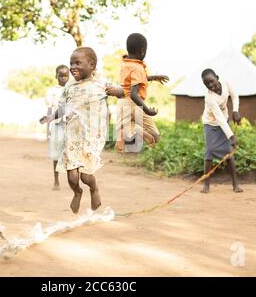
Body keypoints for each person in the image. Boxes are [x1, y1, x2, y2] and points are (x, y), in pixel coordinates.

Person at [40, 47, 122, 214]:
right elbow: (62, 108)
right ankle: (77, 191)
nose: (73, 67)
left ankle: (94, 189)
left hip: (92, 136)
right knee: (72, 175)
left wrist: (118, 91)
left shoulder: (100, 83)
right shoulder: (69, 87)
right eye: (71, 63)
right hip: (72, 135)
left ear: (91, 65)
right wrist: (51, 117)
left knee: (85, 176)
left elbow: (121, 92)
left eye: (78, 63)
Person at [116, 33, 169, 152]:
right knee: (154, 133)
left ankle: (138, 132)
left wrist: (152, 77)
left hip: (124, 103)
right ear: (143, 51)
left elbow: (134, 80)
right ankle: (158, 152)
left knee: (125, 129)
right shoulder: (138, 68)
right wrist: (147, 110)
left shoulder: (125, 64)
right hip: (134, 102)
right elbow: (134, 94)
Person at [200, 68, 243, 194]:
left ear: (217, 78)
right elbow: (218, 118)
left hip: (224, 121)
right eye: (207, 84)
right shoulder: (209, 98)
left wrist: (235, 110)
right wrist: (231, 136)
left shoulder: (226, 84)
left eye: (212, 82)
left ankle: (235, 184)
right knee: (210, 151)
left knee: (228, 152)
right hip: (210, 124)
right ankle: (206, 184)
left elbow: (235, 96)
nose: (210, 86)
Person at [45, 65, 69, 190]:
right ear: (56, 76)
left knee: (71, 153)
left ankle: (73, 181)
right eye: (61, 75)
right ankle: (56, 181)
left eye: (66, 75)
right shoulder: (52, 91)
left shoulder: (73, 89)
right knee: (56, 154)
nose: (64, 78)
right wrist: (47, 129)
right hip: (56, 125)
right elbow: (49, 110)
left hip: (70, 125)